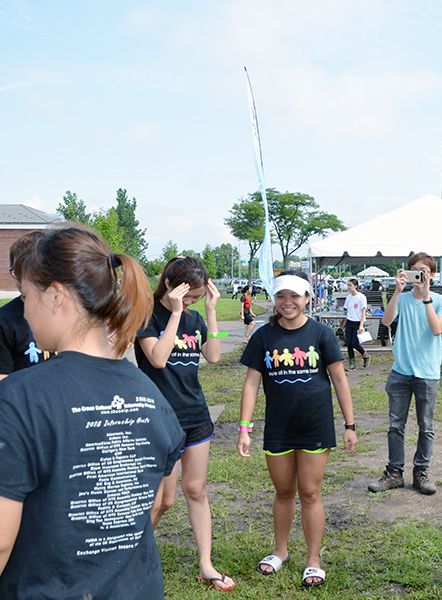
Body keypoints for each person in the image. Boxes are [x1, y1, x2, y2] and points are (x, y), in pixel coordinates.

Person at [0, 225, 185, 598]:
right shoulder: (152, 395)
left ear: (55, 296)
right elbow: (165, 499)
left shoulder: (18, 398)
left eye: (27, 296)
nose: (25, 312)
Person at [237, 271, 357, 587]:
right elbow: (251, 383)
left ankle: (313, 560)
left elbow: (340, 379)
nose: (287, 302)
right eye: (281, 296)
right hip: (278, 427)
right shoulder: (264, 336)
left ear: (307, 298)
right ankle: (280, 551)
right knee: (284, 492)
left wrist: (350, 424)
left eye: (294, 296)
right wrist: (244, 428)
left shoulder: (321, 334)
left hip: (314, 425)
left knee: (310, 491)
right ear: (274, 300)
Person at [134, 256, 234, 592]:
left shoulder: (194, 318)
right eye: (187, 296)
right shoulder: (146, 317)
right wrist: (176, 313)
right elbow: (158, 359)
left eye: (195, 297)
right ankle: (129, 556)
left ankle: (206, 564)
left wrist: (210, 311)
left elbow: (215, 356)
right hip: (161, 418)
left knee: (196, 490)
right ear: (169, 286)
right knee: (163, 501)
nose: (190, 302)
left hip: (196, 416)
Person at [368, 252, 442, 496]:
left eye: (423, 271)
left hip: (427, 372)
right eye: (414, 270)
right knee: (396, 425)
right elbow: (386, 321)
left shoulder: (441, 300)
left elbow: (436, 329)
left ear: (433, 275)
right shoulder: (402, 298)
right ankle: (395, 473)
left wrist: (426, 298)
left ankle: (421, 472)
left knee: (426, 426)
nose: (418, 275)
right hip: (400, 371)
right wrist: (397, 290)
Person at [0, 231, 49, 379]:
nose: (22, 278)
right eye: (16, 271)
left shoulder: (67, 311)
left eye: (29, 270)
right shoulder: (4, 321)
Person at [342, 278, 370, 371]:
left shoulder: (361, 297)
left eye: (350, 285)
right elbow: (346, 310)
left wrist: (361, 325)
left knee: (355, 343)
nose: (349, 287)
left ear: (356, 286)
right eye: (348, 285)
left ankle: (365, 354)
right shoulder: (348, 297)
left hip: (358, 322)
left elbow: (363, 311)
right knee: (349, 344)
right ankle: (352, 364)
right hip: (350, 321)